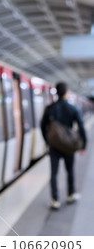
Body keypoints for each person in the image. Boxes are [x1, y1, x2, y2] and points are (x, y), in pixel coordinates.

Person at [40, 82, 87, 210]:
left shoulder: (50, 108)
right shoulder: (73, 108)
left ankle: (55, 200)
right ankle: (70, 195)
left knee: (54, 173)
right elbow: (81, 127)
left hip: (54, 146)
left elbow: (42, 126)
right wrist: (83, 145)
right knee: (70, 170)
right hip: (68, 146)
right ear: (66, 92)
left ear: (56, 92)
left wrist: (47, 140)